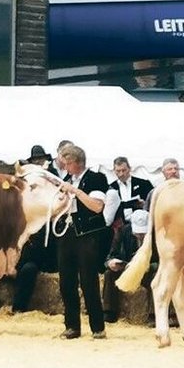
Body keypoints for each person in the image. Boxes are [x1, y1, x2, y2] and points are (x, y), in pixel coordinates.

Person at [56, 145, 117, 339]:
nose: (65, 167)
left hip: (88, 236)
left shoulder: (96, 178)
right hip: (67, 234)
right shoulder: (65, 180)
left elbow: (97, 206)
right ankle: (72, 326)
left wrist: (75, 191)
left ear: (77, 162)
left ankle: (97, 327)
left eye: (68, 163)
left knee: (89, 281)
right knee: (66, 281)